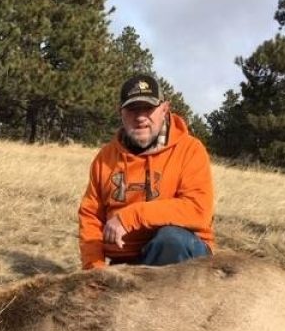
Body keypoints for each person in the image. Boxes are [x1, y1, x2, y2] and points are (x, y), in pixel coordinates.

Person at [78, 73, 214, 269]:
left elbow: (198, 211)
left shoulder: (190, 151)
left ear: (165, 109)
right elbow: (90, 217)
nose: (140, 117)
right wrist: (94, 268)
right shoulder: (105, 158)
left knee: (170, 240)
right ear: (121, 113)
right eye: (132, 109)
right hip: (126, 262)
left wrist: (130, 217)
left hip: (183, 256)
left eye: (148, 108)